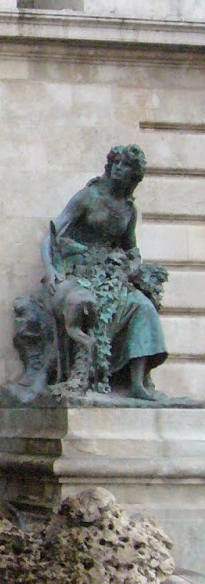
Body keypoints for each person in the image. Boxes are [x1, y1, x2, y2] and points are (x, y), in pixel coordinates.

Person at [41, 142, 168, 401]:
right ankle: (81, 375)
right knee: (88, 304)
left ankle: (137, 383)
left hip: (111, 276)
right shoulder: (88, 197)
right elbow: (50, 236)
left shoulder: (128, 210)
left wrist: (134, 263)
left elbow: (131, 247)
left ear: (134, 175)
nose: (119, 168)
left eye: (126, 166)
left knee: (144, 308)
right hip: (78, 273)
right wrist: (50, 270)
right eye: (116, 163)